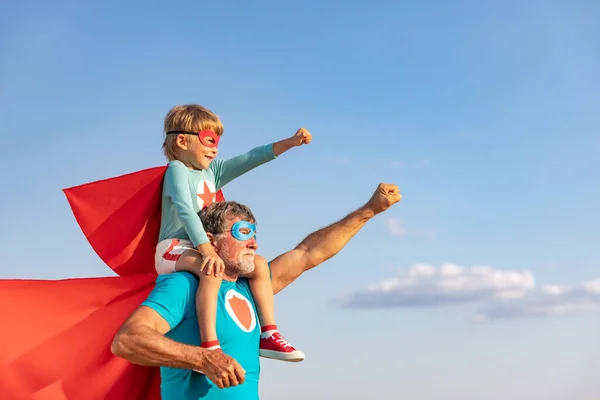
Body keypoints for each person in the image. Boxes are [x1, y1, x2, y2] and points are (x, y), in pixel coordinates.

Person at [112, 183, 402, 399]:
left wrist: (370, 210)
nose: (253, 243)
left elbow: (309, 253)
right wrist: (203, 358)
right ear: (210, 241)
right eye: (242, 234)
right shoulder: (185, 285)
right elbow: (128, 340)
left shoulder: (251, 291)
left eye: (254, 234)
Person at [157, 104, 311, 362]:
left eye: (218, 141)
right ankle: (209, 345)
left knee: (259, 265)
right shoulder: (177, 171)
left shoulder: (212, 172)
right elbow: (184, 209)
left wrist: (290, 143)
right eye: (209, 140)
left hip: (203, 245)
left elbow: (251, 158)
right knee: (211, 269)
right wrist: (206, 250)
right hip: (174, 248)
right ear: (182, 141)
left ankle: (269, 333)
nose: (215, 148)